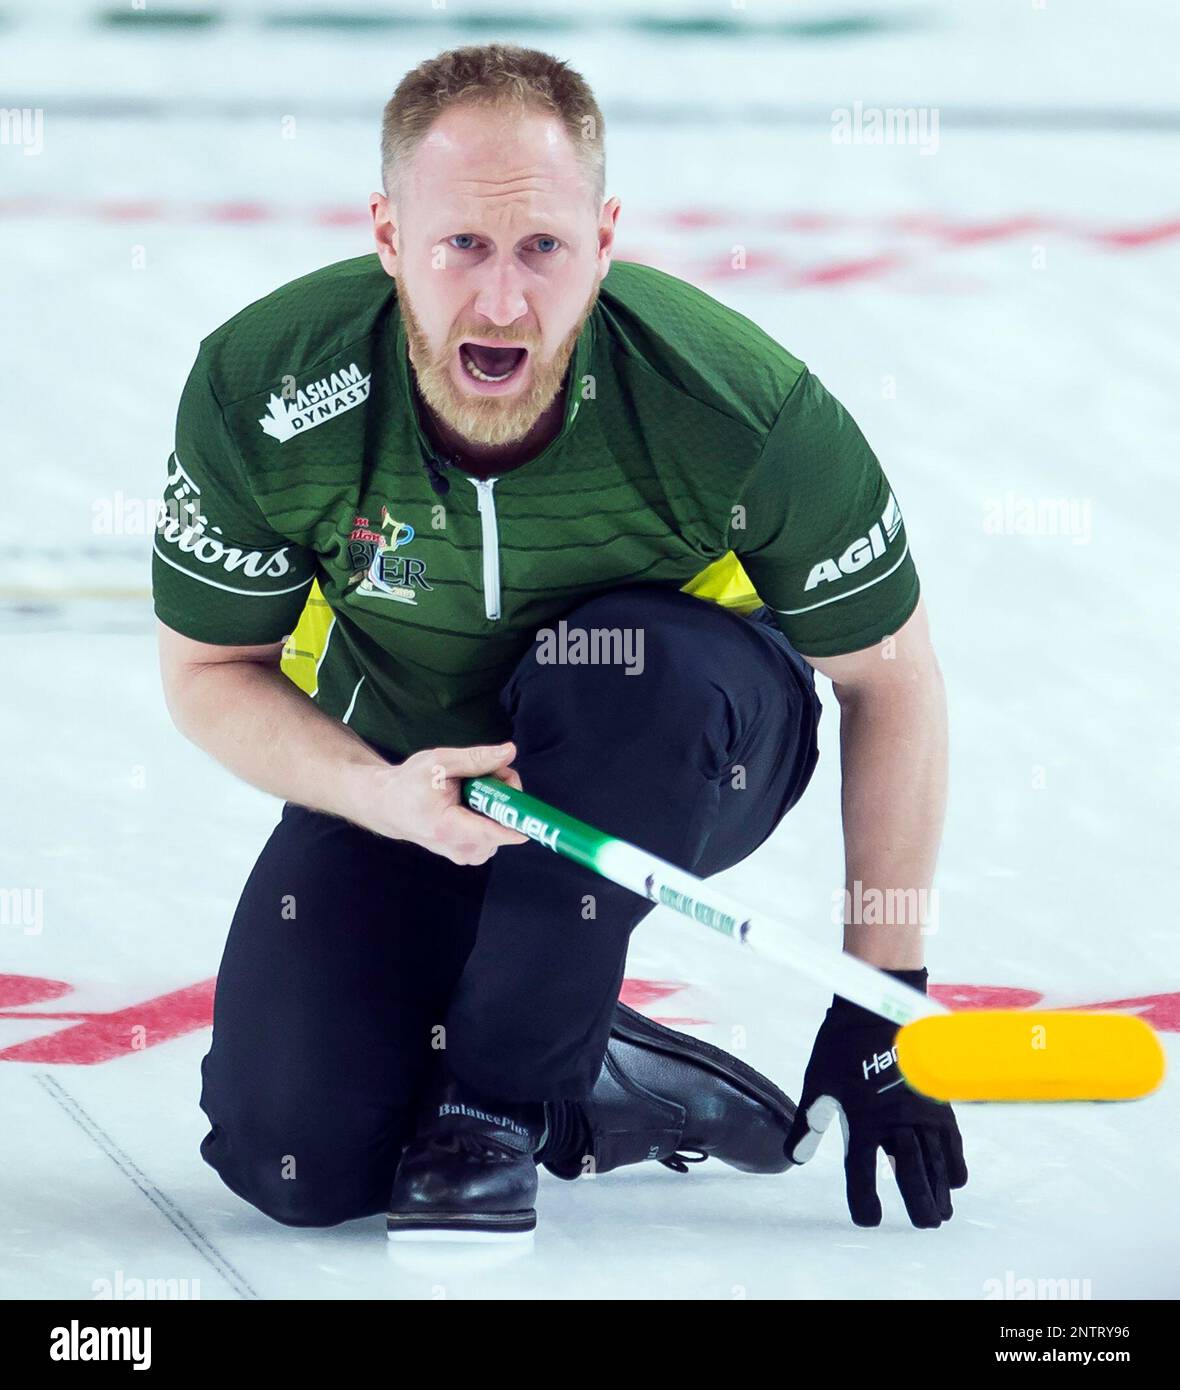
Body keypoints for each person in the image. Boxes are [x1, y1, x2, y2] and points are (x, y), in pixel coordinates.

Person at [153, 43, 965, 1239]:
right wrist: (382, 797)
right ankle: (591, 1071)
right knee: (296, 1158)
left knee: (625, 662)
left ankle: (497, 1097)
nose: (500, 301)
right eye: (461, 246)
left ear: (603, 237)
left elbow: (888, 678)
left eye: (541, 247)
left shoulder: (734, 407)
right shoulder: (264, 392)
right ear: (387, 237)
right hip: (414, 774)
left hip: (685, 739)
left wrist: (883, 998)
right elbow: (208, 673)